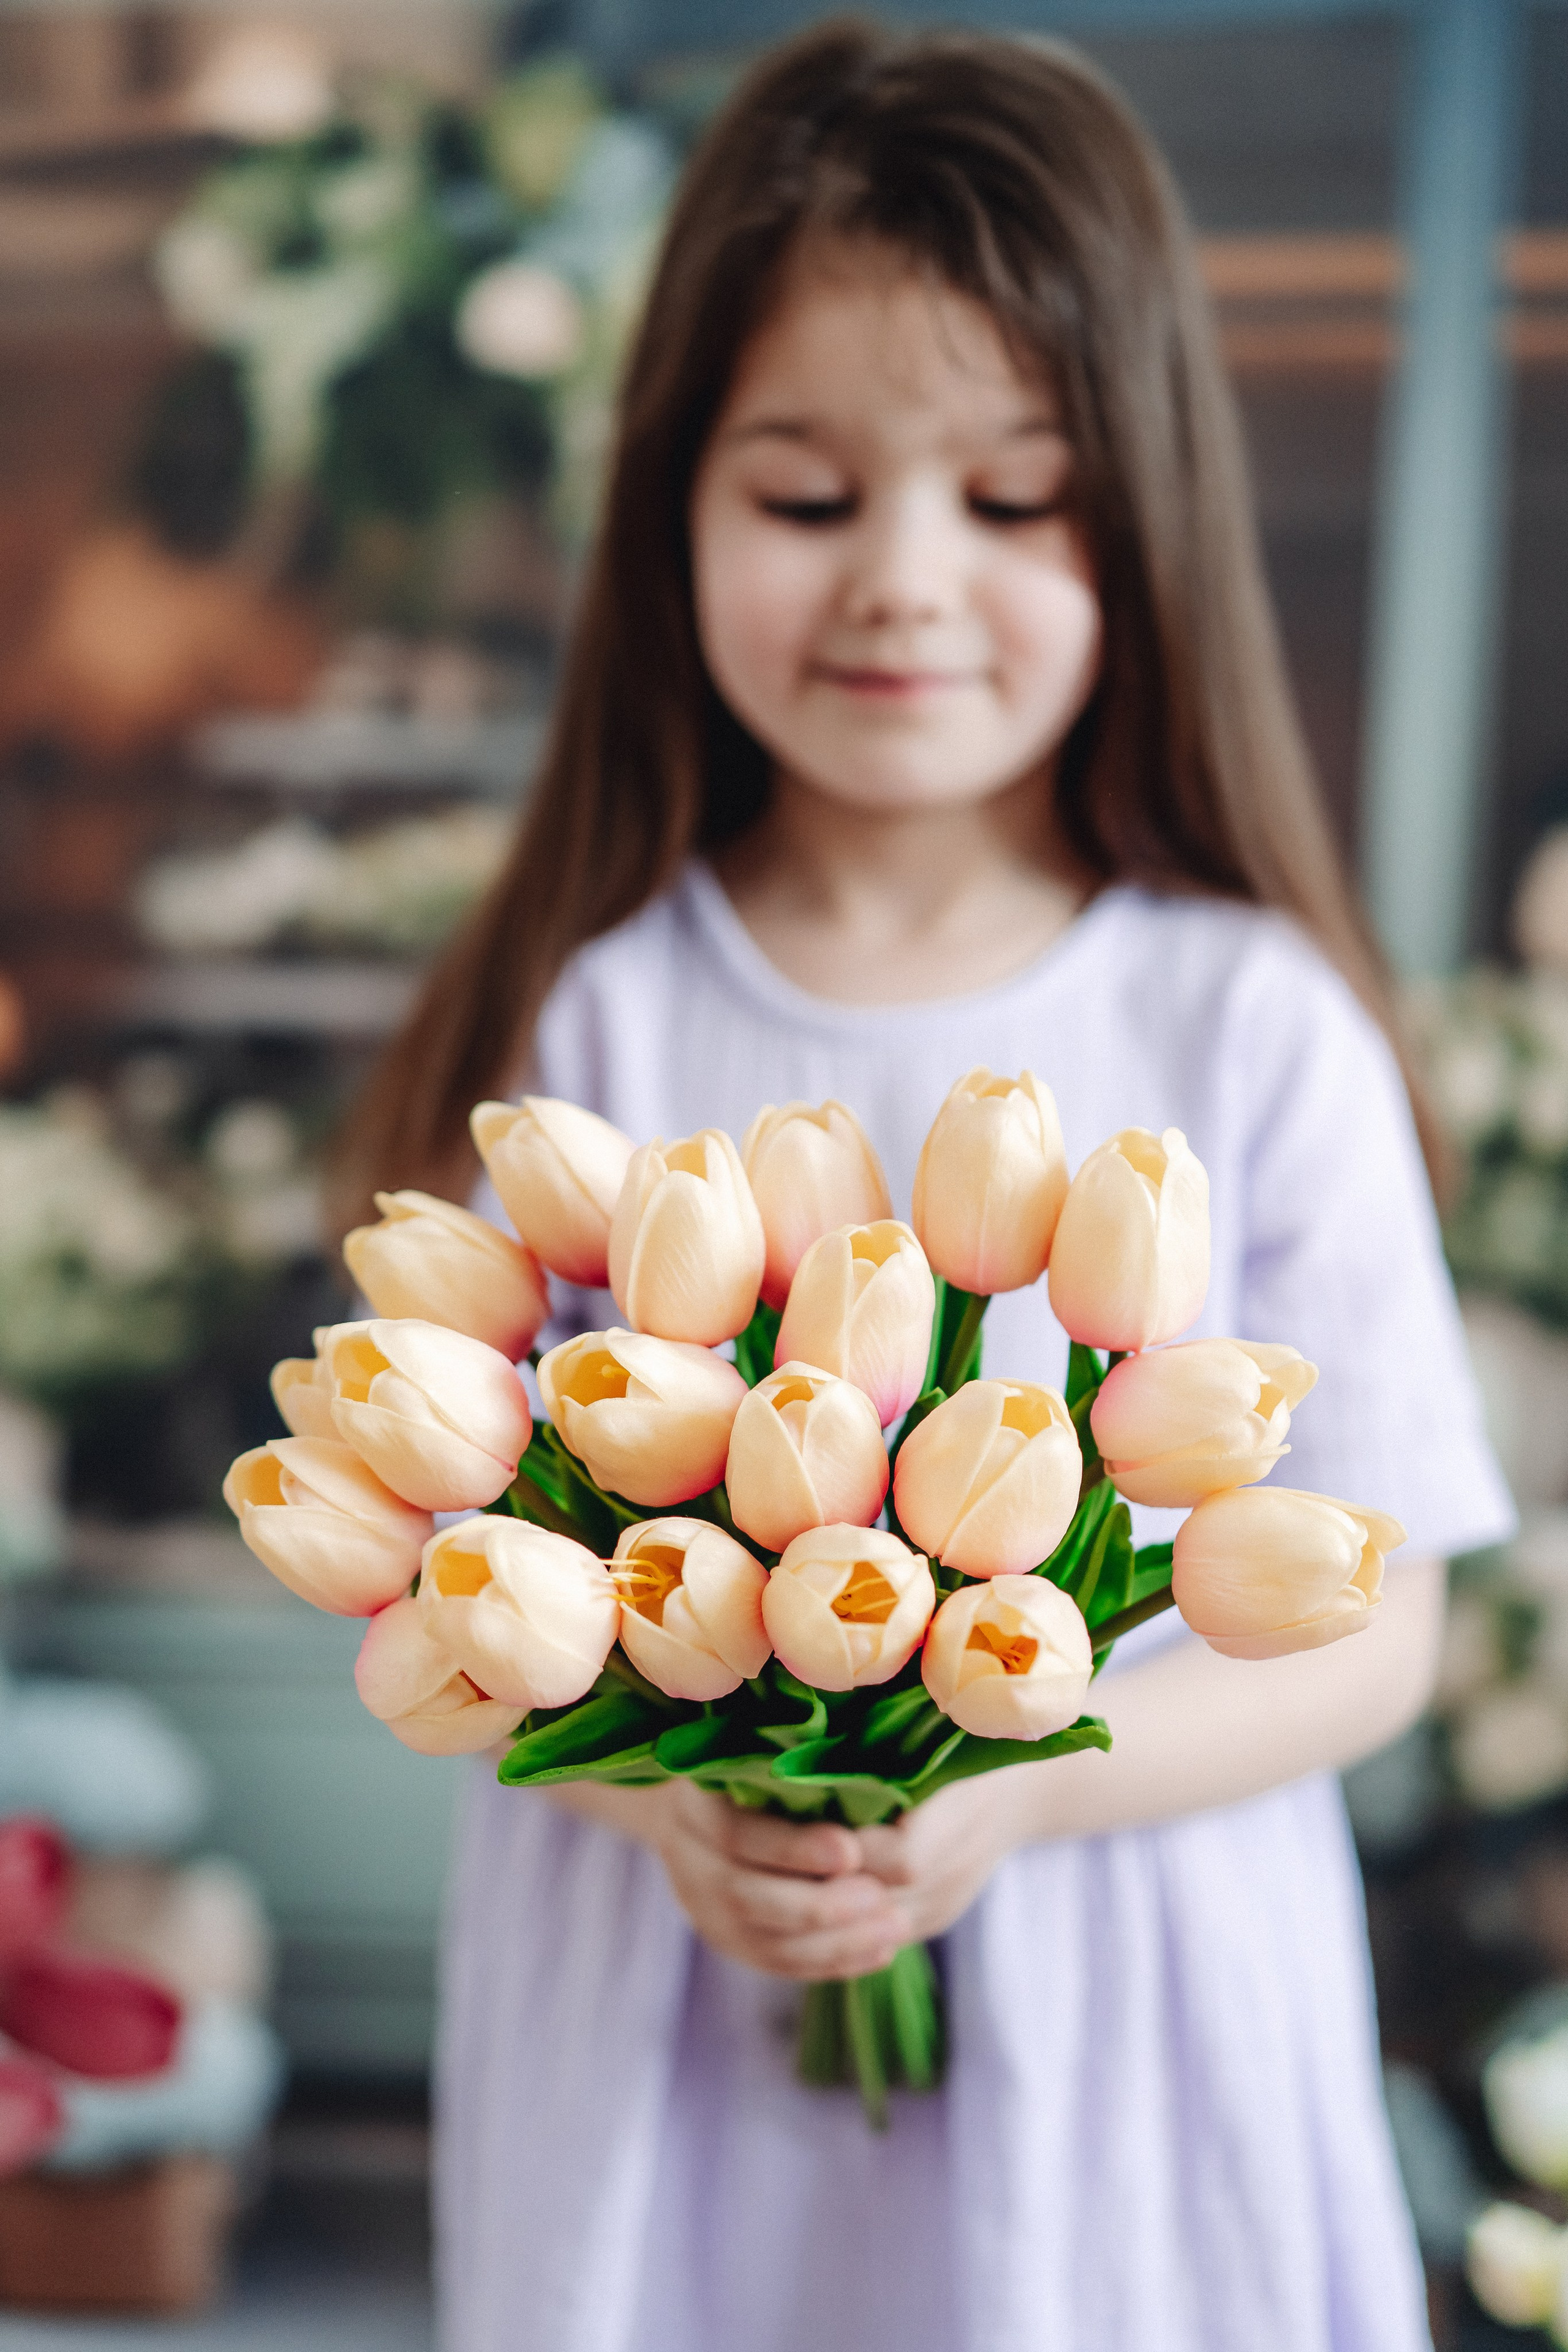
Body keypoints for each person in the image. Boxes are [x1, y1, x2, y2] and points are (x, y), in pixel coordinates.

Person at [336, 26, 1513, 2351]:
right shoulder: (594, 1026)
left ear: (1145, 521)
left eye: (1012, 497)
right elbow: (444, 1576)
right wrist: (670, 1803)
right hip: (662, 1983)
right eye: (804, 496)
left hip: (1132, 1982)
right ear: (670, 501)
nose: (903, 581)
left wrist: (1019, 1799)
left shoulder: (1245, 1026)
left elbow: (1387, 1612)